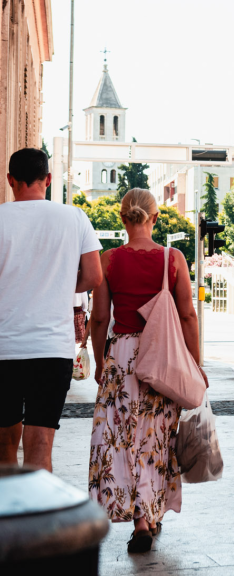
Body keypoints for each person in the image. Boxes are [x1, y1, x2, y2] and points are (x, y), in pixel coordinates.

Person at [88, 188, 198, 553]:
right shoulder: (174, 258)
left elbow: (100, 317)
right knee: (156, 439)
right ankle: (149, 515)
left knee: (124, 439)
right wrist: (195, 364)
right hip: (163, 357)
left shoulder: (109, 260)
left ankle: (140, 520)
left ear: (122, 219)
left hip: (122, 357)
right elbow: (187, 316)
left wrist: (100, 362)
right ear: (154, 219)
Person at [0, 148, 101, 474]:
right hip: (51, 350)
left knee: (3, 445)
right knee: (41, 443)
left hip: (4, 348)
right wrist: (56, 285)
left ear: (10, 180)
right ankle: (37, 520)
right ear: (49, 179)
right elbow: (93, 277)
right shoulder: (73, 218)